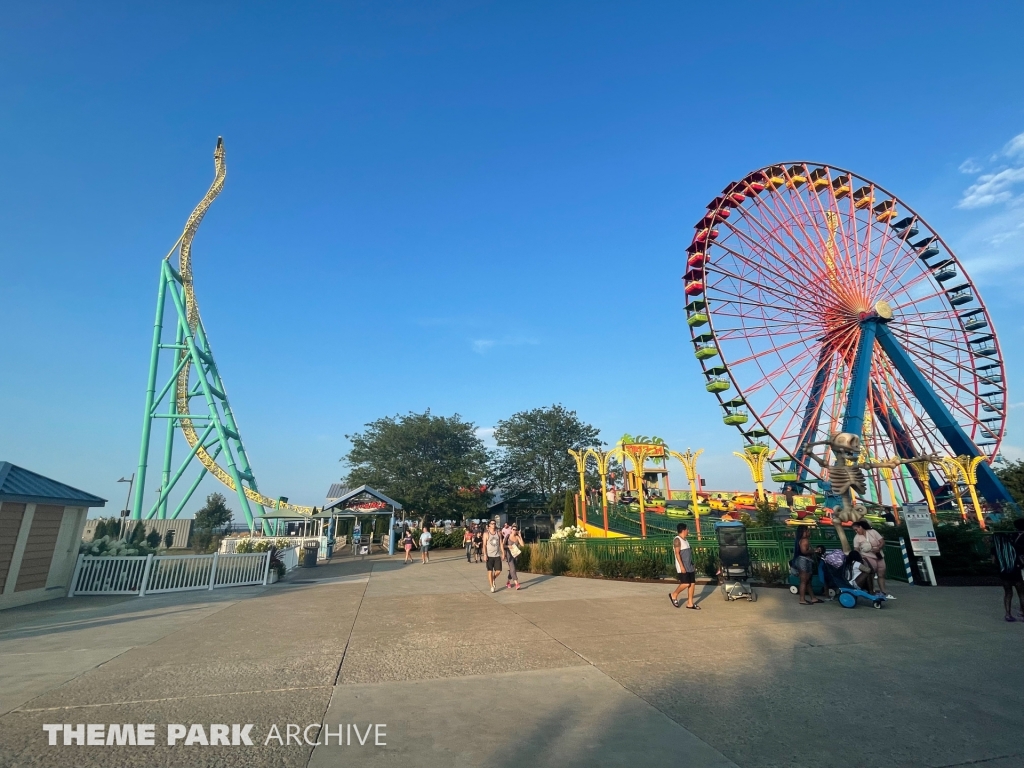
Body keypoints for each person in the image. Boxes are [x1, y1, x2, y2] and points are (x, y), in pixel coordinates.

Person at [852, 520, 892, 598]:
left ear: (861, 527)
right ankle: (871, 590)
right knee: (871, 574)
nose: (856, 531)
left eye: (856, 529)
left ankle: (883, 591)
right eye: (854, 530)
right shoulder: (856, 538)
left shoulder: (872, 532)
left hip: (879, 555)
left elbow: (882, 541)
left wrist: (879, 548)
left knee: (881, 574)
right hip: (867, 556)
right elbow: (856, 549)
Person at [994, 518, 1024, 622]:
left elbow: (993, 559)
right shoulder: (1018, 540)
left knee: (1008, 592)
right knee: (1021, 592)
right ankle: (1022, 612)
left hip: (1005, 569)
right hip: (1016, 568)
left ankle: (1008, 614)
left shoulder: (1001, 544)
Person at [669, 522, 699, 610]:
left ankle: (690, 603)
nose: (688, 531)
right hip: (683, 566)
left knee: (692, 584)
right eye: (687, 529)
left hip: (689, 565)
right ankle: (674, 594)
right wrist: (682, 567)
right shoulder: (677, 539)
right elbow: (677, 553)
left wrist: (692, 564)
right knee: (686, 583)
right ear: (683, 530)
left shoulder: (685, 540)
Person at [792, 526, 822, 604]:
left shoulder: (801, 540)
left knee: (807, 581)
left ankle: (813, 598)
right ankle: (802, 599)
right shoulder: (804, 540)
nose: (809, 532)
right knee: (804, 581)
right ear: (803, 532)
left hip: (804, 561)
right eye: (807, 531)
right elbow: (804, 551)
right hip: (804, 561)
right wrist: (814, 551)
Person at [483, 520, 503, 592]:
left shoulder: (498, 533)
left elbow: (501, 544)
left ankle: (493, 578)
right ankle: (492, 586)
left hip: (497, 555)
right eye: (492, 524)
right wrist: (485, 554)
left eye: (494, 523)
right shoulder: (486, 534)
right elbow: (484, 545)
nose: (494, 525)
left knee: (498, 571)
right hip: (489, 555)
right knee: (490, 571)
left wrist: (503, 553)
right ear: (489, 525)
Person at [504, 523, 524, 590]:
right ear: (511, 530)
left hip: (515, 555)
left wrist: (520, 536)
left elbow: (522, 545)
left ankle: (508, 582)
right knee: (512, 568)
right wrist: (508, 546)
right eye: (513, 529)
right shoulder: (508, 536)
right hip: (509, 555)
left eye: (516, 529)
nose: (514, 530)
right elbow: (503, 545)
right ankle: (517, 584)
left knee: (512, 570)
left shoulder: (517, 537)